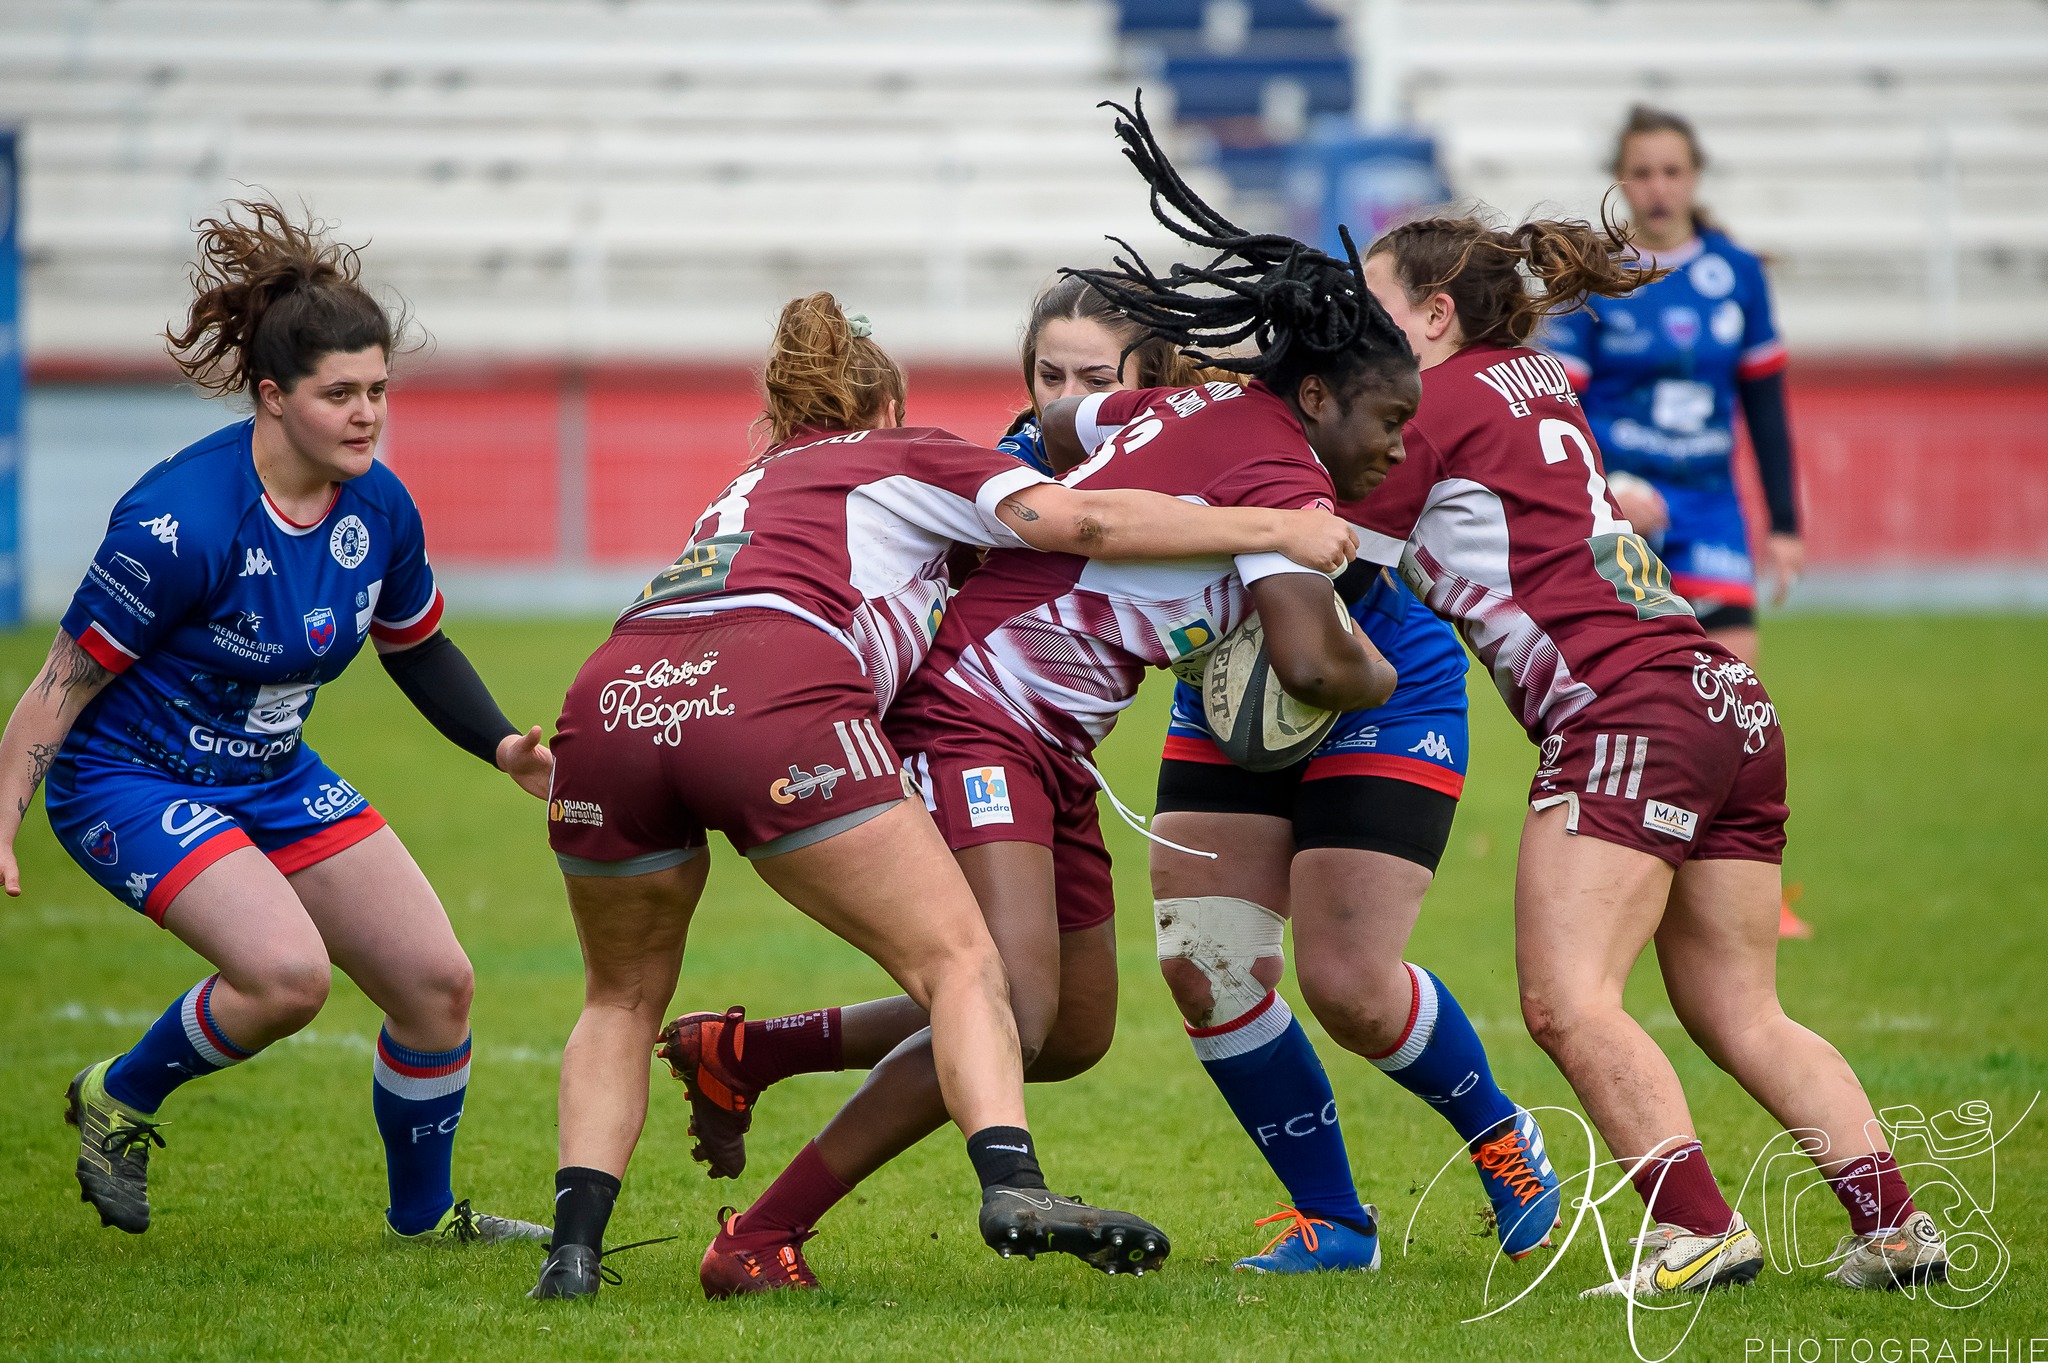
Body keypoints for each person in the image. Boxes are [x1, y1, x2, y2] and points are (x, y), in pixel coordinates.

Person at [669, 98, 1415, 1294]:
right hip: (973, 707)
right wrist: (1374, 663)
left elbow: (1063, 419)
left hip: (1048, 740)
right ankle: (760, 1235)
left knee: (1065, 1035)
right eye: (1388, 419)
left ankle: (747, 1050)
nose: (1393, 448)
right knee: (1005, 1006)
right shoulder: (1279, 469)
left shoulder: (1186, 406)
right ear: (1321, 396)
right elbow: (1316, 666)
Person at [535, 291, 1359, 1300]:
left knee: (1069, 1029)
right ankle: (784, 1228)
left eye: (1090, 378)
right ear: (892, 410)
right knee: (991, 984)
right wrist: (1276, 525)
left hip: (664, 699)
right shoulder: (932, 456)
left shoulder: (765, 478)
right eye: (1046, 374)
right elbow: (1084, 513)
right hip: (956, 714)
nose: (1063, 399)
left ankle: (732, 1068)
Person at [1351, 211, 1948, 1296]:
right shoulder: (1528, 374)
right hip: (1721, 696)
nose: (1354, 324)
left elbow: (1331, 544)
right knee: (1739, 1009)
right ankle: (1895, 1228)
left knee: (1565, 1000)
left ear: (1434, 315)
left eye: (1371, 302)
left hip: (1623, 711)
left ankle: (1695, 1232)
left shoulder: (1427, 404)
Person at [0, 201, 554, 1245]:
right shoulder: (182, 525)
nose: (366, 415)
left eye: (378, 391)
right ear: (270, 397)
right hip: (134, 777)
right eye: (337, 394)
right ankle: (118, 1094)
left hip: (268, 768)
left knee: (437, 985)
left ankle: (424, 1227)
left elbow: (417, 645)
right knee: (288, 978)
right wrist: (5, 804)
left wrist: (502, 744)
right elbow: (60, 683)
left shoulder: (378, 508)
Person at [1543, 105, 1803, 668]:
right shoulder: (1594, 275)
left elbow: (1766, 406)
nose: (1658, 187)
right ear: (1620, 181)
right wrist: (1607, 491)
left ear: (1695, 177)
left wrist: (1784, 524)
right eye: (1642, 173)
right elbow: (1556, 410)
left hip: (1710, 505)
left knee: (1734, 696)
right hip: (1617, 506)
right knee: (1635, 688)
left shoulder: (1738, 273)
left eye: (1672, 171)